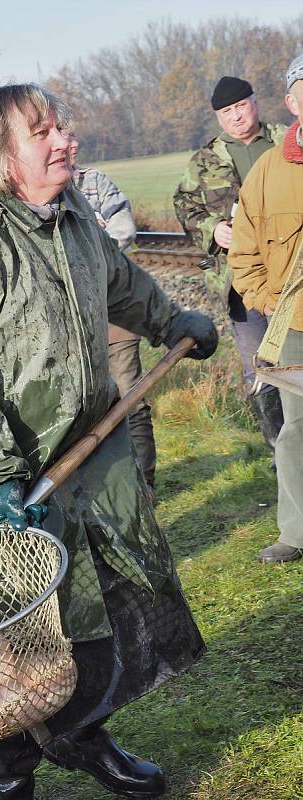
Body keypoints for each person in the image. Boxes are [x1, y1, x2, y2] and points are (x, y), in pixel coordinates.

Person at [0, 84, 218, 800]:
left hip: (81, 453)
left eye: (62, 126)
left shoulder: (69, 218)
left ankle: (84, 734)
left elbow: (120, 283)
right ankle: (6, 776)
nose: (64, 140)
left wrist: (172, 322)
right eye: (43, 132)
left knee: (95, 603)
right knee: (8, 630)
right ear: (4, 156)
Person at [174, 77, 285, 457]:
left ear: (255, 103)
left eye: (241, 106)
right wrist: (212, 228)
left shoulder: (289, 140)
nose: (236, 116)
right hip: (239, 281)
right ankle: (279, 451)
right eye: (226, 112)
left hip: (293, 275)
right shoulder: (205, 161)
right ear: (218, 117)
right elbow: (185, 204)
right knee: (260, 366)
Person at [229, 55, 303, 565]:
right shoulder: (266, 170)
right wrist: (262, 298)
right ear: (293, 103)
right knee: (296, 429)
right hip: (293, 323)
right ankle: (295, 532)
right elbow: (245, 250)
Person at [68, 131, 157, 502]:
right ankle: (95, 488)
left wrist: (89, 241)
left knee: (130, 397)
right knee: (80, 404)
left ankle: (144, 485)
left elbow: (122, 231)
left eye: (71, 138)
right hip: (68, 320)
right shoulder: (29, 191)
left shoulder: (96, 184)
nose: (66, 146)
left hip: (114, 311)